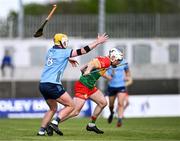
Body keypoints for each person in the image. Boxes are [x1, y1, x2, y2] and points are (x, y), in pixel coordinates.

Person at [37, 33, 108, 136]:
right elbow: (83, 51)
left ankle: (41, 131)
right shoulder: (64, 52)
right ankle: (55, 123)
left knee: (53, 108)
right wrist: (97, 42)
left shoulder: (50, 51)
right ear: (62, 42)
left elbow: (56, 58)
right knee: (71, 105)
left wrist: (68, 58)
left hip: (43, 84)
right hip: (53, 84)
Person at [49, 47, 123, 134]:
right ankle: (53, 123)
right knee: (75, 111)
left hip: (90, 87)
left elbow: (96, 67)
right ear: (113, 57)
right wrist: (88, 70)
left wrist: (84, 68)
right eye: (118, 60)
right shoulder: (106, 62)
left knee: (103, 102)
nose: (118, 62)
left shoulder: (105, 60)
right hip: (83, 86)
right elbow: (93, 64)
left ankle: (91, 125)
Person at [103, 48, 133, 127]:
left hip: (121, 86)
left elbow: (127, 71)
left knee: (120, 103)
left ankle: (119, 120)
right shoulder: (109, 62)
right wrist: (109, 76)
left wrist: (128, 77)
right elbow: (103, 73)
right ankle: (112, 113)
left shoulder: (124, 62)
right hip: (111, 86)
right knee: (111, 105)